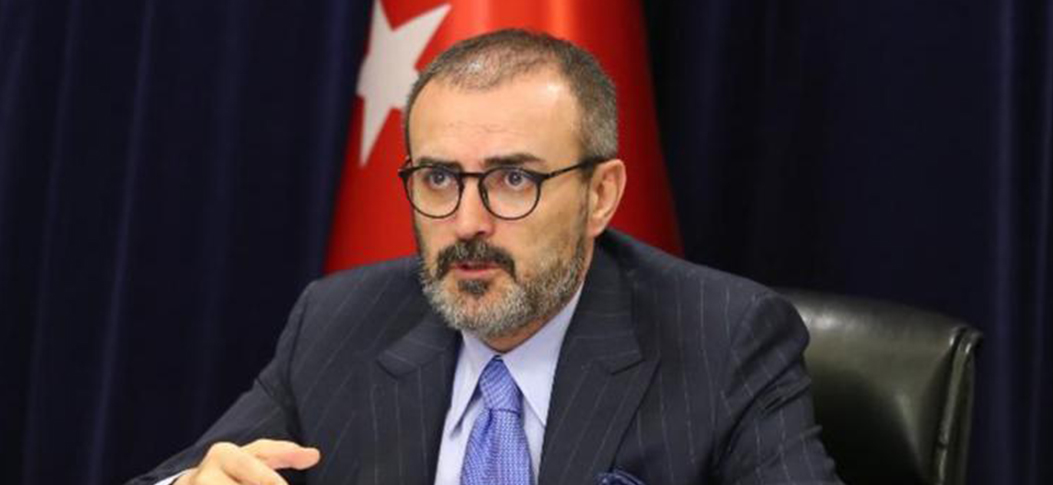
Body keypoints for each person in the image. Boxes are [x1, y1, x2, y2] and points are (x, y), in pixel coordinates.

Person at [129, 29, 841, 485]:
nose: (468, 223)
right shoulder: (339, 321)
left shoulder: (723, 337)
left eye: (513, 180)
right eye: (439, 178)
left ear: (600, 195)